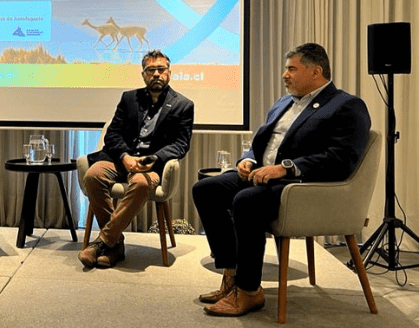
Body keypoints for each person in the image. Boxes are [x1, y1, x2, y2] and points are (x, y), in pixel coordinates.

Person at [192, 43, 371, 317]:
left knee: (246, 201)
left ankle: (250, 291)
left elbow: (341, 159)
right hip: (263, 176)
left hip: (300, 188)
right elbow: (260, 144)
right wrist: (248, 160)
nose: (285, 75)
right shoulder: (283, 103)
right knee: (205, 189)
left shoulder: (347, 105)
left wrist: (286, 168)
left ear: (316, 71)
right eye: (285, 69)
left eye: (291, 69)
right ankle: (232, 273)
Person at [78, 50, 194, 268]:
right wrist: (124, 157)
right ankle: (115, 244)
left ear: (169, 73)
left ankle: (104, 241)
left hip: (151, 165)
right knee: (93, 175)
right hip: (120, 159)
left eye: (161, 69)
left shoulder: (183, 105)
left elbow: (181, 144)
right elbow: (112, 133)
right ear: (143, 75)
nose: (157, 74)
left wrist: (153, 158)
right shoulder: (129, 98)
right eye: (151, 70)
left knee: (140, 183)